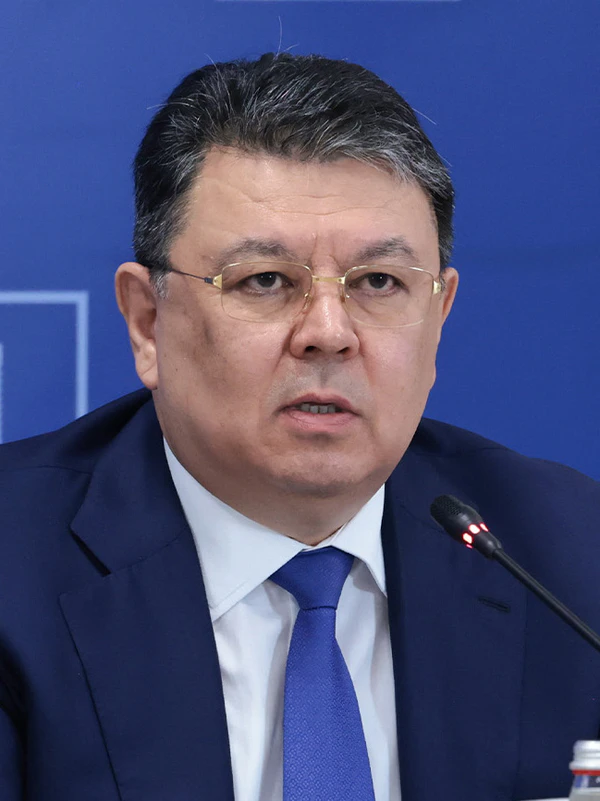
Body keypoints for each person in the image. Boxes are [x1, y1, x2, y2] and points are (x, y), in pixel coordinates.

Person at [0, 53, 599, 801]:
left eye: (378, 282)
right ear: (148, 322)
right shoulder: (14, 569)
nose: (328, 332)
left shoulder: (572, 557)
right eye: (265, 280)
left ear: (438, 316)